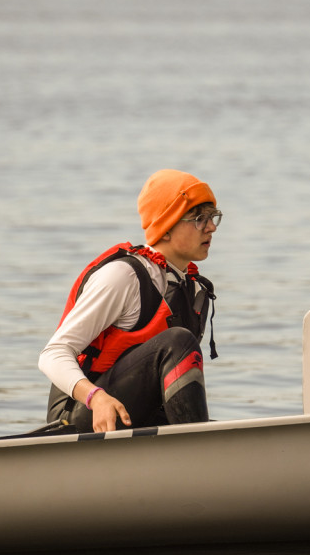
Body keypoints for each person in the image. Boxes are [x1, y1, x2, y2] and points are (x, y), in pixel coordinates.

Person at [39, 169, 221, 433]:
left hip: (134, 413)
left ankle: (196, 448)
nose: (211, 227)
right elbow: (52, 355)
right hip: (79, 415)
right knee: (178, 341)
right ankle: (198, 454)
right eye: (199, 218)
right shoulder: (123, 276)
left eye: (213, 217)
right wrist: (95, 397)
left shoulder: (191, 288)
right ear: (166, 227)